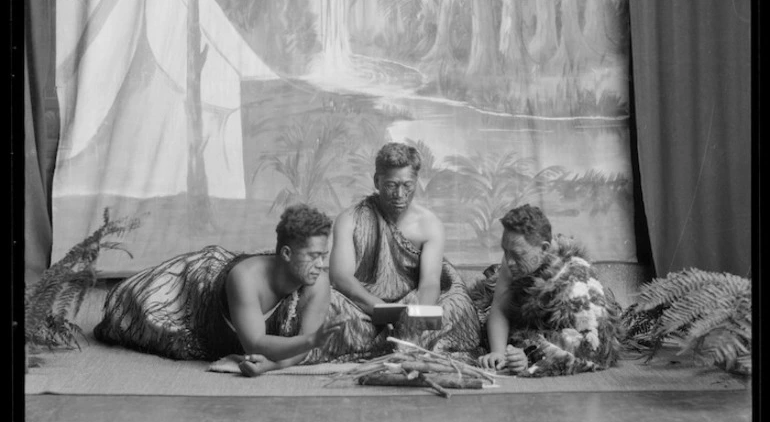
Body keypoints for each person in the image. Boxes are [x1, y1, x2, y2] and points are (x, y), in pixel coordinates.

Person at [94, 204, 343, 376]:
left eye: (324, 256)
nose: (321, 265)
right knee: (129, 309)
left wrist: (272, 366)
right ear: (287, 254)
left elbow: (303, 347)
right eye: (313, 256)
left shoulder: (318, 282)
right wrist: (310, 340)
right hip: (196, 288)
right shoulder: (245, 278)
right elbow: (256, 344)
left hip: (232, 309)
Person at [324, 142, 481, 360]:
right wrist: (381, 309)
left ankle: (398, 341)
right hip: (363, 308)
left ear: (416, 182)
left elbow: (429, 282)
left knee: (458, 307)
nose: (400, 194)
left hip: (410, 304)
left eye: (407, 185)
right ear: (377, 181)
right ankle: (398, 343)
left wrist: (416, 316)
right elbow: (341, 279)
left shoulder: (429, 224)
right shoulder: (350, 219)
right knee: (324, 303)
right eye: (391, 185)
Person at [472, 204, 623, 377]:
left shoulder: (575, 280)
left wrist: (531, 356)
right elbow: (499, 307)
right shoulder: (512, 261)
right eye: (506, 252)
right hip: (527, 326)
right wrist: (498, 353)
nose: (509, 261)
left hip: (557, 332)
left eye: (517, 255)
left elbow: (593, 346)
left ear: (544, 248)